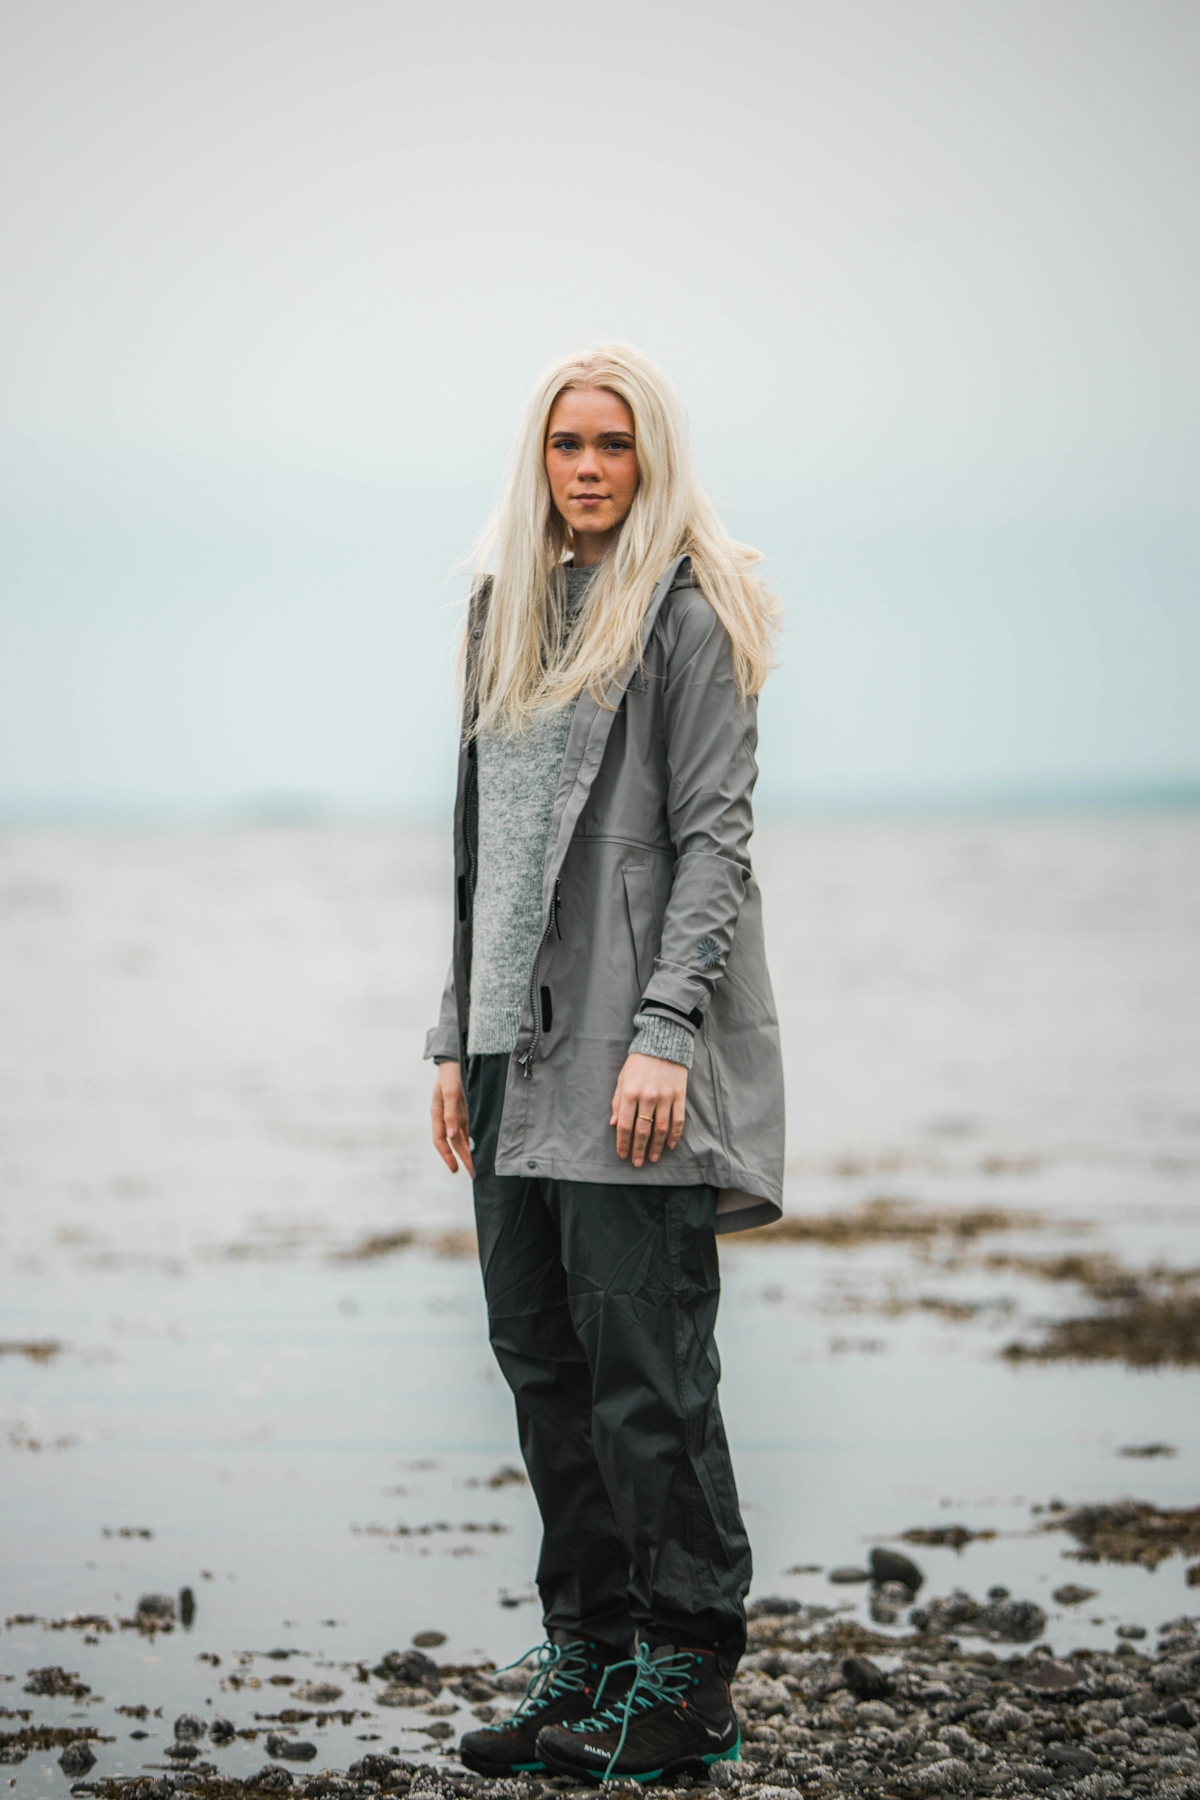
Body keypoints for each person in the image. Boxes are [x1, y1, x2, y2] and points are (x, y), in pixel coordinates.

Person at [426, 343, 785, 1784]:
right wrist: (454, 1035)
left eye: (613, 447)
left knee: (649, 1370)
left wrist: (665, 1038)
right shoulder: (499, 614)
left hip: (632, 1061)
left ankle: (688, 1675)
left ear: (651, 462)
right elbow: (483, 856)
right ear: (539, 459)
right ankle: (589, 1653)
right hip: (512, 1051)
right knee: (541, 1360)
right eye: (567, 445)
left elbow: (716, 843)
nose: (587, 469)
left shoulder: (694, 617)